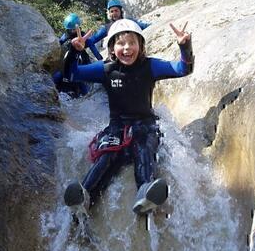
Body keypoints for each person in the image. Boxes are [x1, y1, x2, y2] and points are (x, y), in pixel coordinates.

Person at [63, 18, 194, 215]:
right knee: (107, 154)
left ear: (140, 46)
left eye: (132, 43)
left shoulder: (150, 66)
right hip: (117, 126)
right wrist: (74, 51)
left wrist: (185, 47)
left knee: (144, 149)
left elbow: (183, 69)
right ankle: (84, 195)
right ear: (112, 48)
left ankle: (145, 193)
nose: (127, 49)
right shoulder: (105, 69)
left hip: (146, 124)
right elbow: (71, 75)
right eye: (121, 43)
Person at [52, 13, 102, 98]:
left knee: (80, 80)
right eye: (70, 30)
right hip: (70, 58)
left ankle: (86, 96)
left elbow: (93, 49)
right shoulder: (66, 35)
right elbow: (58, 44)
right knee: (58, 76)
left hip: (82, 58)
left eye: (73, 30)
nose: (72, 32)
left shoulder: (83, 37)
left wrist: (101, 60)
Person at [85, 0, 151, 53]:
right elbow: (93, 40)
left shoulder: (129, 22)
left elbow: (145, 26)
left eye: (116, 11)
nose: (114, 13)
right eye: (112, 11)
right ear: (109, 13)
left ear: (121, 11)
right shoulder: (107, 27)